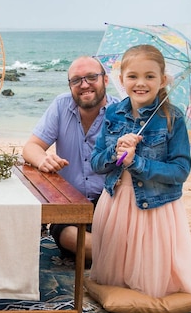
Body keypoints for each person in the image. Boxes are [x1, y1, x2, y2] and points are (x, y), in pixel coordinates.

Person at [88, 44, 191, 299]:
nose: (140, 83)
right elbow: (96, 163)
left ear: (163, 80)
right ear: (121, 79)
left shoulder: (171, 118)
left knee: (153, 277)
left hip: (155, 206)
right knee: (118, 275)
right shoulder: (112, 113)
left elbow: (180, 171)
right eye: (133, 76)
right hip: (116, 202)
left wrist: (137, 164)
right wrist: (116, 152)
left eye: (150, 76)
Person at [22, 56, 119, 264]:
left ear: (106, 80)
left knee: (114, 236)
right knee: (70, 237)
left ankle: (115, 255)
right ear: (70, 85)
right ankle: (126, 256)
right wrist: (43, 160)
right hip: (69, 206)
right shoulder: (61, 105)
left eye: (92, 77)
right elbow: (31, 147)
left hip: (111, 205)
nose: (84, 85)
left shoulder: (122, 113)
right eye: (76, 80)